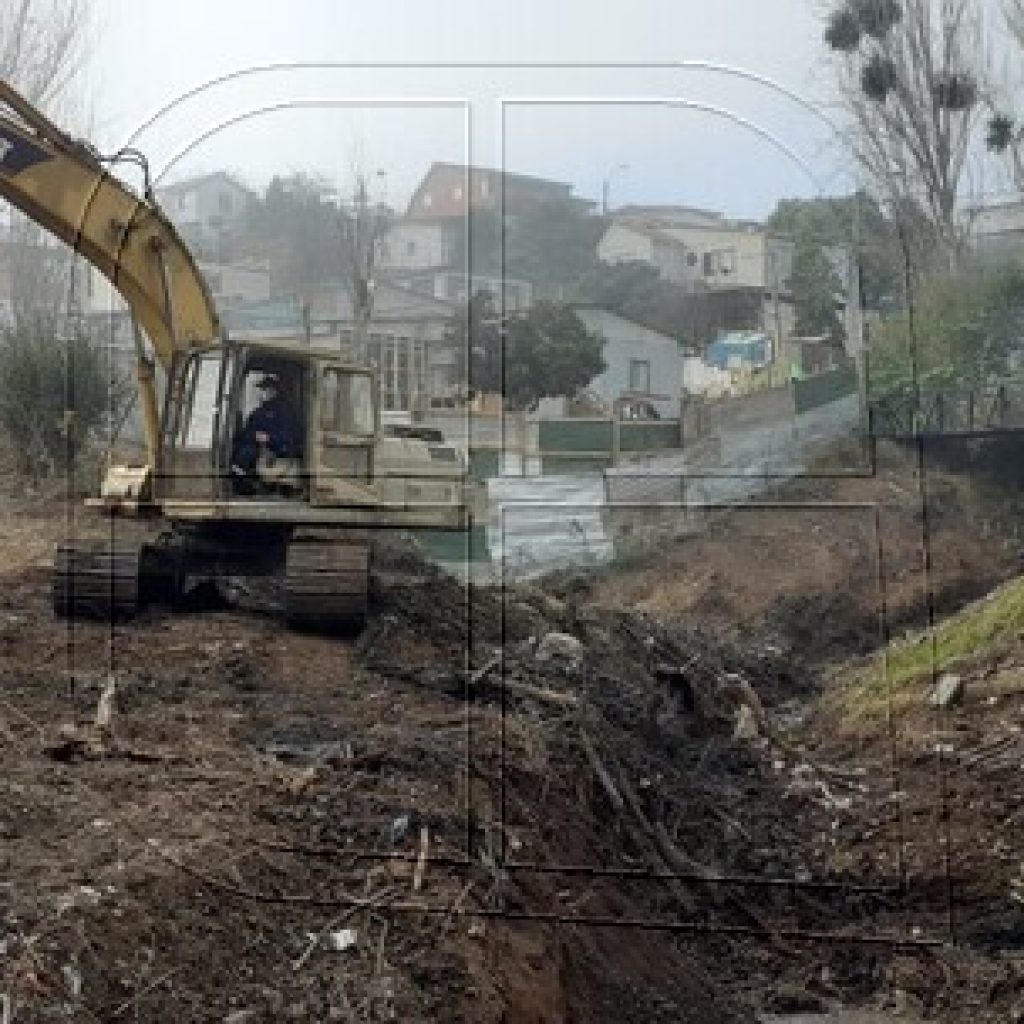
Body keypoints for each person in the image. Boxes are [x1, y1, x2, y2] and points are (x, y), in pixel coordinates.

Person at [231, 373, 302, 486]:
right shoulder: (258, 412)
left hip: (276, 449)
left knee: (247, 452)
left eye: (266, 388)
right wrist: (253, 435)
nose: (263, 392)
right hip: (256, 446)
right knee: (236, 447)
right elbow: (247, 431)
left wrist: (269, 438)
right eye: (262, 389)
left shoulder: (285, 411)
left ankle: (244, 483)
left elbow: (291, 434)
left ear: (275, 391)